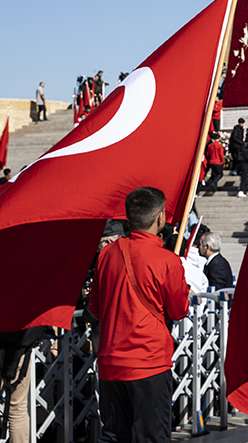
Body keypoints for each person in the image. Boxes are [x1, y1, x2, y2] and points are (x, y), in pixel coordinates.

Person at [88, 187, 189, 443]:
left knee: (113, 436)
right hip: (149, 361)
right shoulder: (167, 261)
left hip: (111, 361)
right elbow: (179, 310)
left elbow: (95, 307)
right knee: (152, 437)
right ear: (160, 217)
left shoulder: (107, 254)